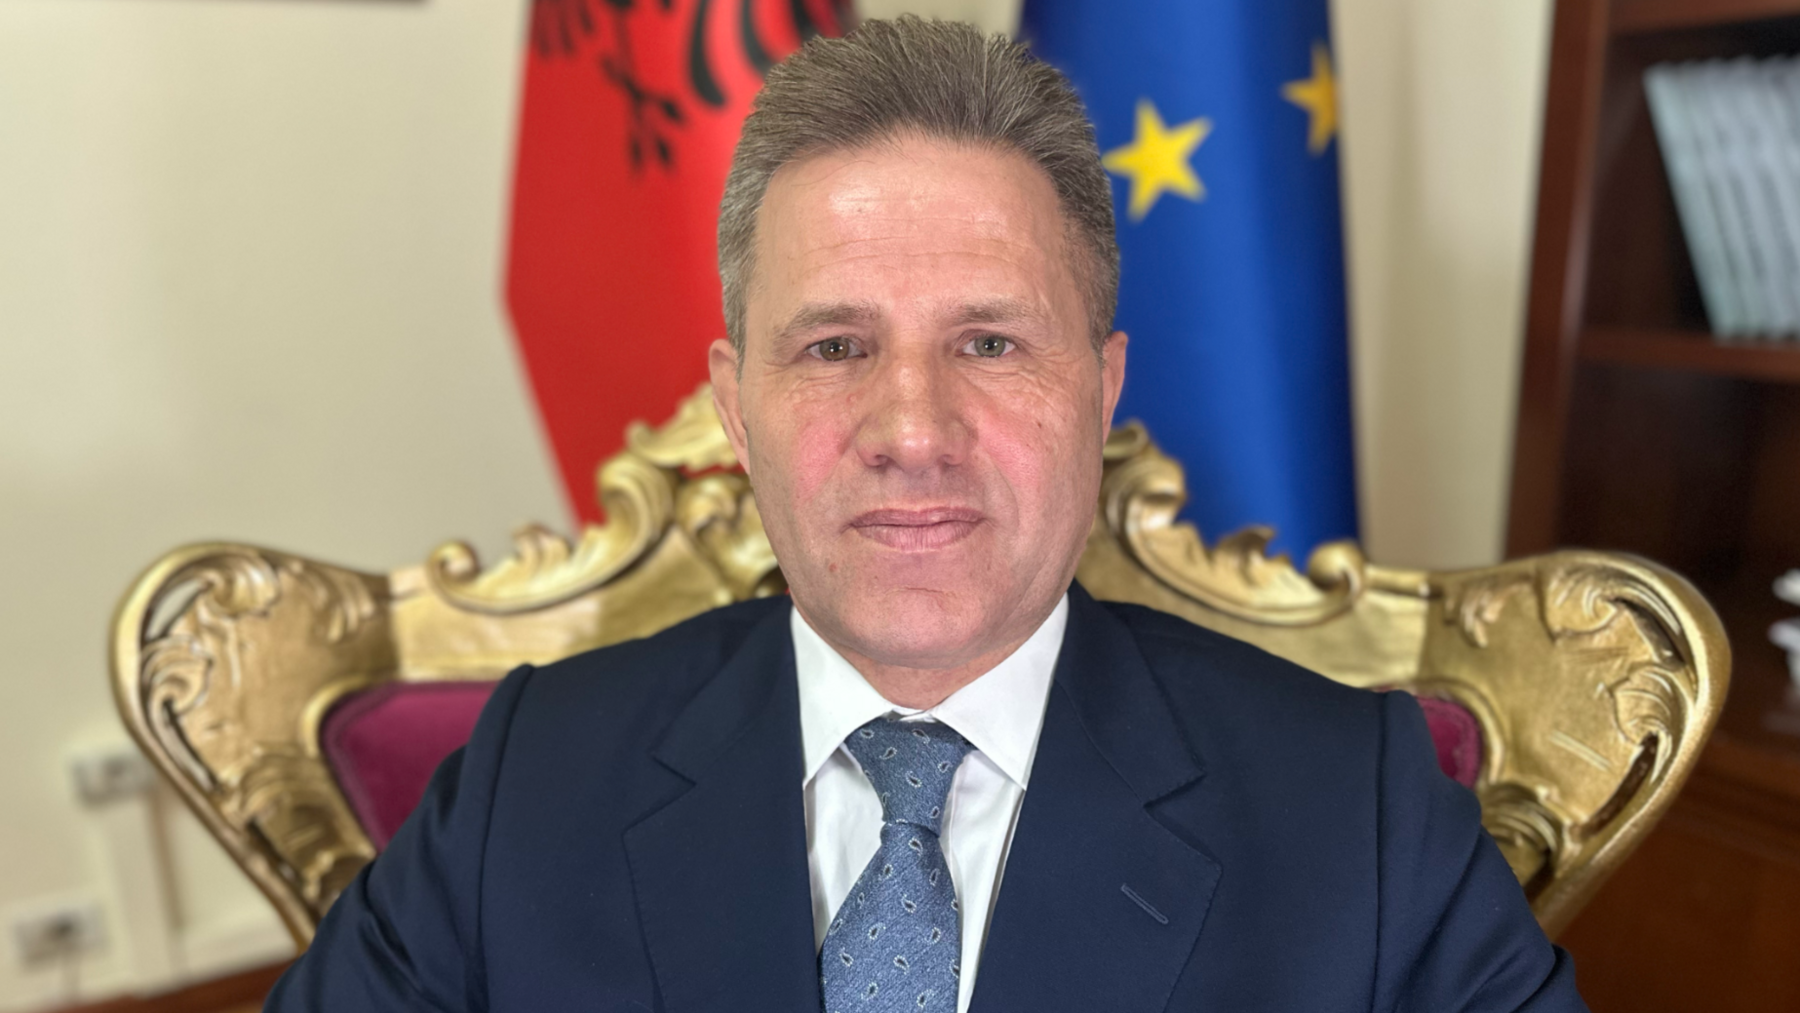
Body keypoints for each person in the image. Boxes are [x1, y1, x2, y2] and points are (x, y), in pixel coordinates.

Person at [267, 17, 1586, 1013]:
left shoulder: (1355, 806)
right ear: (735, 406)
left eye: (994, 344)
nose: (912, 432)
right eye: (835, 347)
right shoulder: (529, 774)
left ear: (1103, 389)